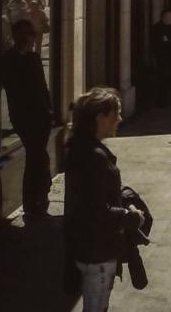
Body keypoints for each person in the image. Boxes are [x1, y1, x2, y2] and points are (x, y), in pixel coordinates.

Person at [64, 87, 145, 312]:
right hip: (97, 250)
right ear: (100, 117)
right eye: (115, 113)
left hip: (84, 244)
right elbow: (97, 210)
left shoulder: (80, 148)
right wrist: (131, 216)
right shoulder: (94, 157)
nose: (120, 118)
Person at [0, 19, 52, 218]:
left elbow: (42, 87)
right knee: (36, 157)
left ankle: (37, 199)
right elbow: (13, 89)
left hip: (41, 116)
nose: (33, 38)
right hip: (25, 117)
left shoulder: (33, 58)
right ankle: (35, 200)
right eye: (30, 34)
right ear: (21, 37)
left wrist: (49, 111)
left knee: (37, 158)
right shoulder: (10, 59)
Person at [149, 10, 171, 108]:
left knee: (167, 80)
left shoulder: (170, 28)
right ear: (163, 17)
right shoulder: (157, 29)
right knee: (161, 80)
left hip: (168, 59)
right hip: (161, 59)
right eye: (169, 17)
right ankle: (160, 102)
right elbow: (156, 45)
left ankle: (165, 100)